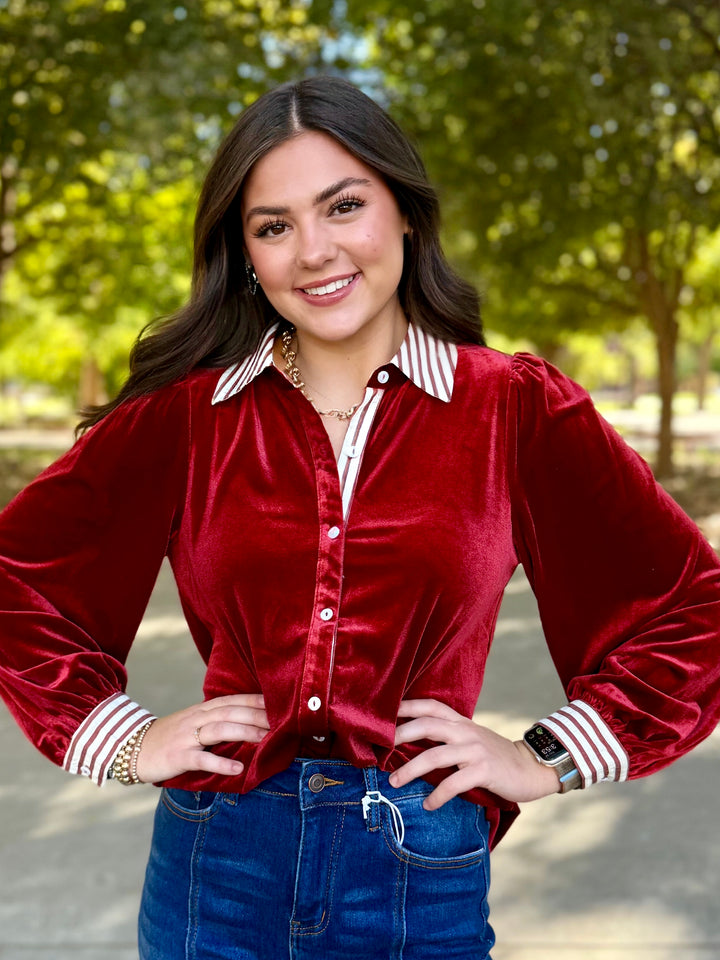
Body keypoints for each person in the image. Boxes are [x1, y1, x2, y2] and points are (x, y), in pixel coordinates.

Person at [0, 75, 719, 960]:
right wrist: (124, 738)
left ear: (406, 213)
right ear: (244, 253)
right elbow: (18, 575)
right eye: (273, 226)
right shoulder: (186, 418)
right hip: (216, 868)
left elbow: (690, 605)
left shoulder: (514, 408)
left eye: (344, 206)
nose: (314, 251)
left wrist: (544, 757)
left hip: (420, 868)